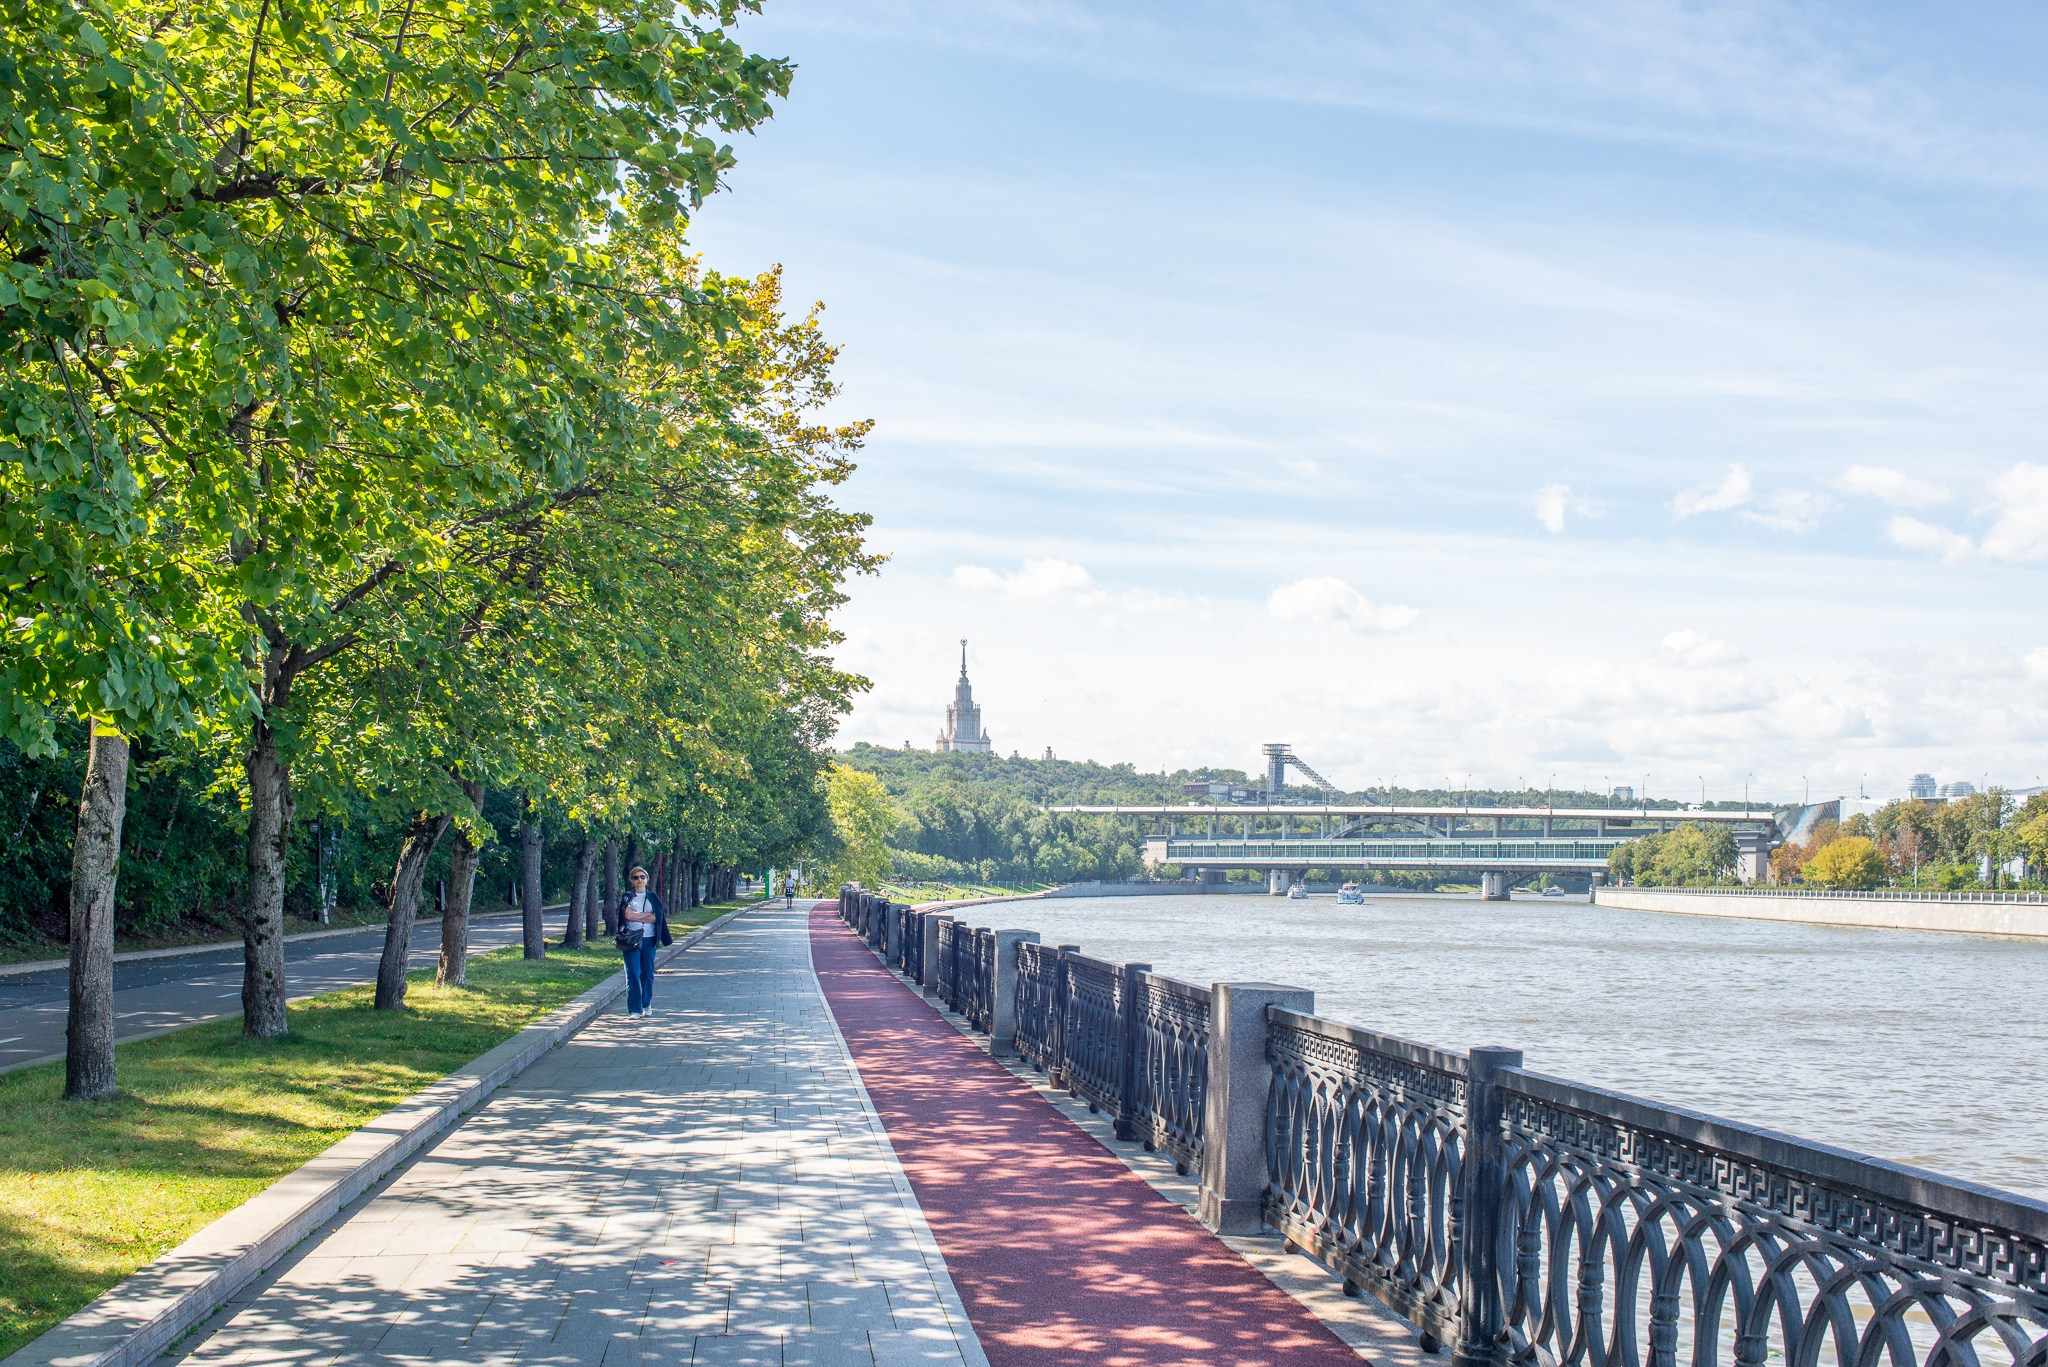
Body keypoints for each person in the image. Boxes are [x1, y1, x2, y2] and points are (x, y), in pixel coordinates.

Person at [617, 866, 670, 1018]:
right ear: (631, 880)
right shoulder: (627, 897)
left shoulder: (653, 897)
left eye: (642, 877)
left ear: (646, 879)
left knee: (647, 973)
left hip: (649, 939)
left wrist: (636, 916)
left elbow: (657, 917)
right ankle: (634, 1009)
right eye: (636, 877)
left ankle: (646, 1004)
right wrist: (645, 915)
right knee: (632, 973)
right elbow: (628, 916)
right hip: (630, 939)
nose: (639, 880)